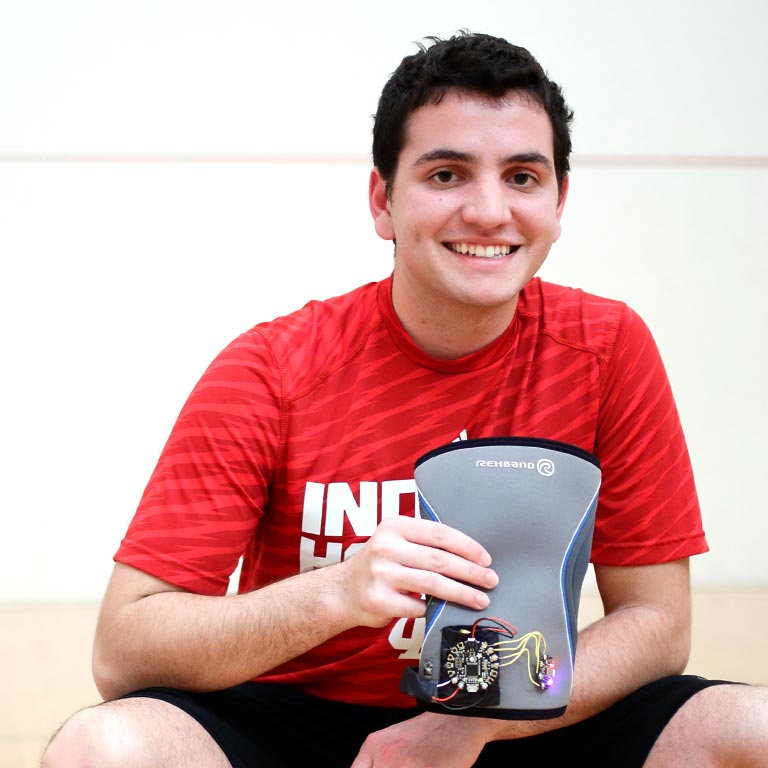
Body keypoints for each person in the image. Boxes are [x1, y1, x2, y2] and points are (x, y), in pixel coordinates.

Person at [43, 32, 767, 768]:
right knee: (102, 748)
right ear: (383, 201)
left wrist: (467, 728)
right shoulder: (270, 369)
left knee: (751, 727)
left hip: (519, 711)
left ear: (558, 202)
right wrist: (337, 594)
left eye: (522, 176)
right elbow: (124, 650)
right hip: (297, 720)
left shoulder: (609, 348)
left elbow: (657, 623)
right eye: (447, 174)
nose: (489, 211)